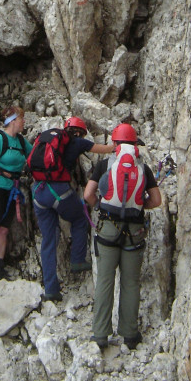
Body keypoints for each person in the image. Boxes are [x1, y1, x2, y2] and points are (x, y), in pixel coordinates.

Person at [83, 124, 162, 350]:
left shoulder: (104, 164)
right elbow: (156, 201)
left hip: (108, 228)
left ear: (115, 144)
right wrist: (138, 207)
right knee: (130, 283)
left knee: (105, 281)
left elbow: (88, 194)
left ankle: (100, 334)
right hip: (134, 232)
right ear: (135, 144)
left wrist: (100, 206)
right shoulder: (143, 168)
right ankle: (129, 334)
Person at [31, 117, 115, 302]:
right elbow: (105, 149)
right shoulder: (78, 142)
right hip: (59, 191)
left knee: (49, 240)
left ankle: (51, 289)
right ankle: (77, 260)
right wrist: (118, 145)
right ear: (79, 131)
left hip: (38, 191)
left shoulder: (48, 141)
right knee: (78, 219)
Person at [0, 105, 31, 283]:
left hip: (11, 188)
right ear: (12, 121)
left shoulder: (21, 142)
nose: (24, 122)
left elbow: (34, 155)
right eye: (21, 119)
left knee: (3, 229)